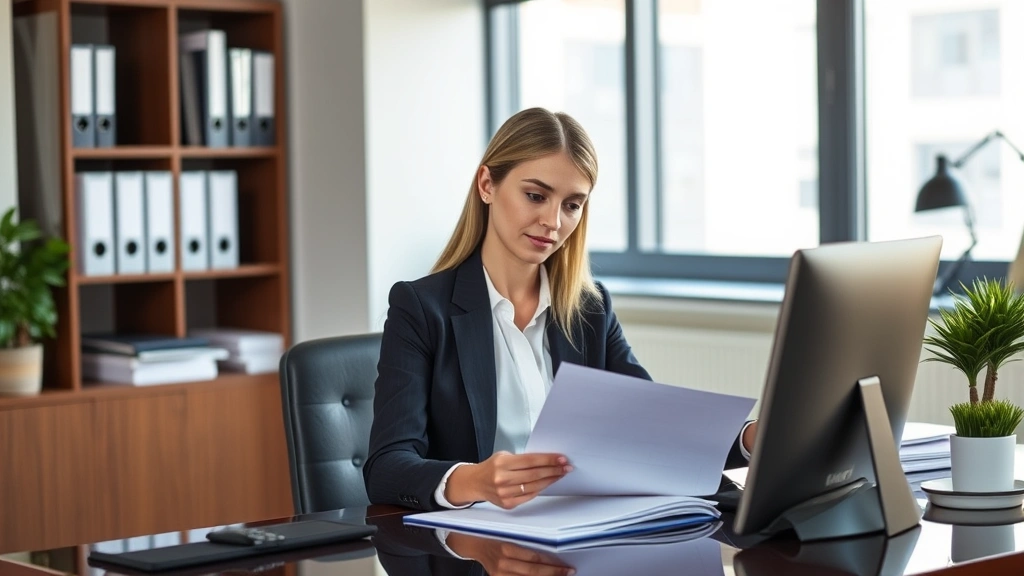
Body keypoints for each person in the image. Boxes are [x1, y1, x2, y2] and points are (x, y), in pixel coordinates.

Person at [363, 107, 756, 512]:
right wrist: (475, 480)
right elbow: (387, 468)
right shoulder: (420, 309)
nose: (552, 221)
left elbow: (654, 432)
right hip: (473, 548)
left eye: (572, 205)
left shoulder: (590, 310)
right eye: (535, 196)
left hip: (575, 535)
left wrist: (748, 439)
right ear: (487, 185)